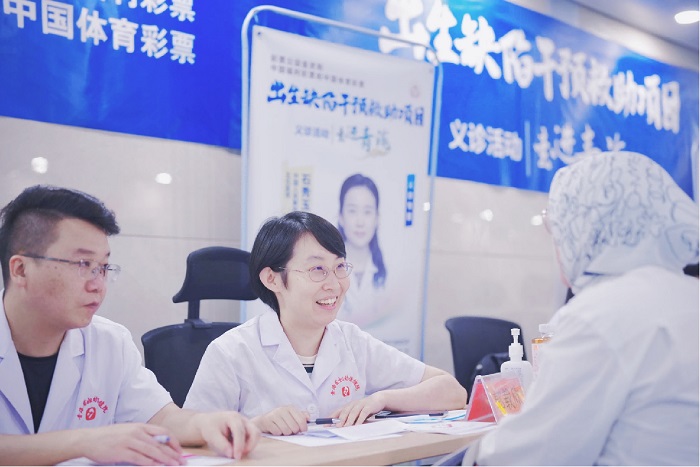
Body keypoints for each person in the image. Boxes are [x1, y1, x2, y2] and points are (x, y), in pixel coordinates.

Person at [0, 185, 260, 466]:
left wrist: (206, 423)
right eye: (83, 264)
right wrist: (83, 442)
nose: (97, 285)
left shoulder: (110, 341)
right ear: (21, 269)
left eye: (103, 267)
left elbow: (162, 418)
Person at [467, 151, 699, 465]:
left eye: (557, 227)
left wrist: (471, 456)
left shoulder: (599, 314)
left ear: (586, 228)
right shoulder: (688, 295)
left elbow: (530, 455)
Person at [184, 211, 467, 436]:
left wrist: (382, 399)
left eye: (339, 267)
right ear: (272, 279)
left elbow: (452, 392)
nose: (334, 284)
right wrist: (255, 425)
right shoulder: (232, 351)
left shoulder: (352, 341)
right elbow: (191, 435)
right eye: (317, 269)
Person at [336, 174, 391, 328]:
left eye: (367, 212)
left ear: (377, 218)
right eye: (352, 211)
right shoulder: (325, 269)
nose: (360, 222)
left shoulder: (390, 271)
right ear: (341, 217)